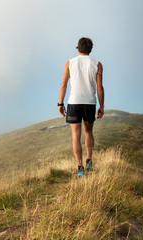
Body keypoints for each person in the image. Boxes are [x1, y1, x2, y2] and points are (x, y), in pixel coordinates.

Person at [58, 37, 104, 176]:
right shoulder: (97, 64)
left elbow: (64, 84)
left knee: (75, 136)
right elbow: (100, 87)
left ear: (78, 48)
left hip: (74, 102)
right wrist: (102, 106)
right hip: (89, 103)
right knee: (88, 132)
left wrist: (60, 103)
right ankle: (89, 161)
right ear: (90, 49)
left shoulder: (69, 63)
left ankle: (80, 168)